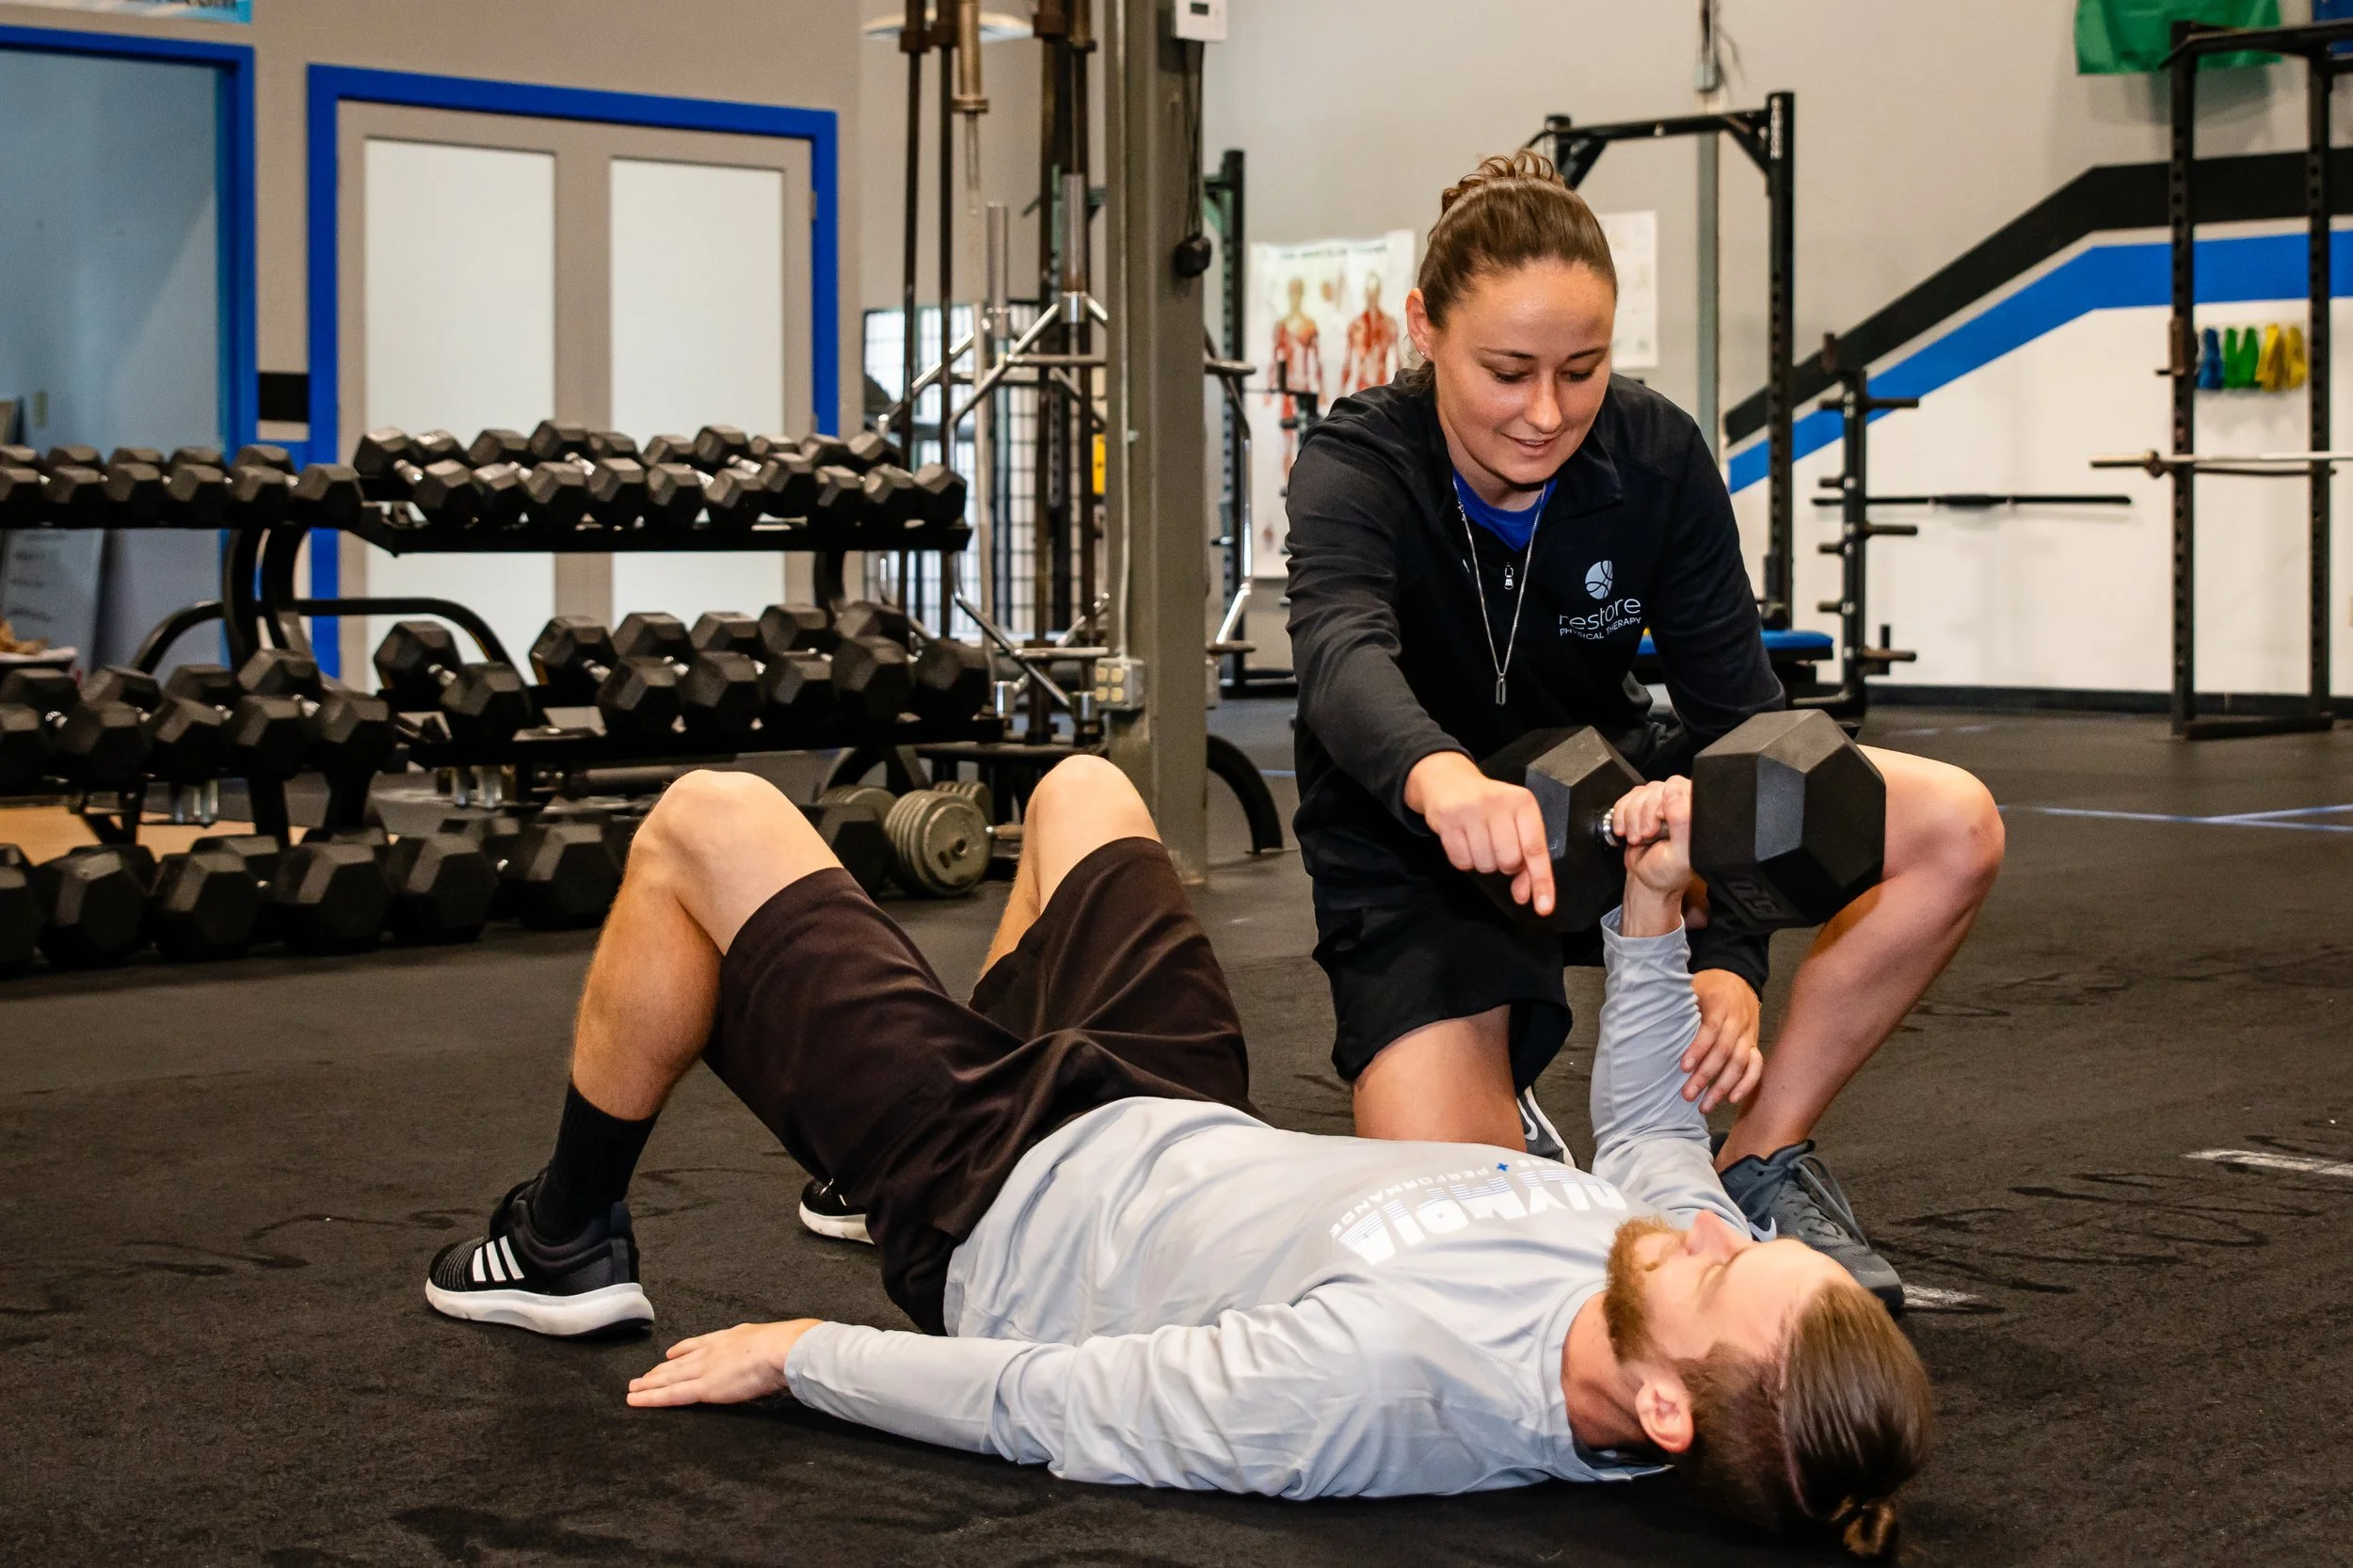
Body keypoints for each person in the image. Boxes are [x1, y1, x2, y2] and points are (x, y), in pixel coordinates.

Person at [423, 759, 1932, 1556]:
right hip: (1171, 1110)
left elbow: (1052, 1405)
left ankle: (565, 1236)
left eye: (1734, 1264)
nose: (1719, 1225)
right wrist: (1653, 906)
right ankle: (849, 1138)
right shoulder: (1654, 1265)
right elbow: (1668, 1137)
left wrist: (803, 1352)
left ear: (1663, 1406)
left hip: (1001, 1189)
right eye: (1756, 1232)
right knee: (1088, 791)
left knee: (708, 820)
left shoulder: (1375, 1392)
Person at [1282, 151, 2006, 1306]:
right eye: (1507, 372)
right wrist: (1440, 777)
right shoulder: (1357, 463)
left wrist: (1727, 959)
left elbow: (1745, 731)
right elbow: (1336, 655)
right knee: (1465, 1263)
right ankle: (1495, 1084)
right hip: (1419, 845)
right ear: (1423, 328)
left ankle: (1760, 1156)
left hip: (1609, 804)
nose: (1547, 413)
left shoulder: (1653, 453)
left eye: (1582, 368)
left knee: (1951, 825)